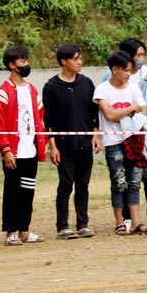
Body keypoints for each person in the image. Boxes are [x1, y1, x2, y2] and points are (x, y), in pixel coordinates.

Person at [43, 43, 100, 240]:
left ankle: (83, 224)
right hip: (64, 145)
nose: (79, 62)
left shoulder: (86, 83)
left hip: (85, 142)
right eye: (75, 58)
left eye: (80, 58)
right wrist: (53, 145)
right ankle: (63, 226)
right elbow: (47, 119)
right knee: (66, 184)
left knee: (83, 183)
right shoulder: (51, 87)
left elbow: (94, 113)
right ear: (63, 61)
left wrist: (95, 135)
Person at [0, 46, 48, 245]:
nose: (27, 65)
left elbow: (39, 118)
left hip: (31, 150)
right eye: (22, 61)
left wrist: (42, 143)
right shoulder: (3, 92)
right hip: (14, 152)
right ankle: (10, 232)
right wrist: (6, 149)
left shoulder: (32, 90)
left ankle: (24, 230)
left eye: (27, 61)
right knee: (12, 192)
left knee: (28, 191)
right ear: (12, 65)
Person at [95, 51, 147, 235]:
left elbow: (143, 111)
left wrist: (127, 111)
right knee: (118, 182)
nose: (128, 73)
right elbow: (109, 114)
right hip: (114, 142)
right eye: (125, 70)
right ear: (114, 70)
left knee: (135, 182)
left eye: (130, 70)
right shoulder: (102, 89)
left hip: (134, 140)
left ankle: (135, 222)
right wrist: (132, 108)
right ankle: (120, 222)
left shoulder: (133, 87)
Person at [117, 37, 147, 231]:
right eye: (138, 55)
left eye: (143, 55)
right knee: (126, 175)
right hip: (124, 133)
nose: (141, 59)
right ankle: (128, 217)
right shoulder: (112, 76)